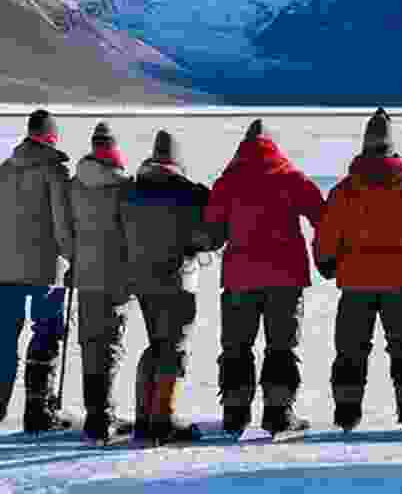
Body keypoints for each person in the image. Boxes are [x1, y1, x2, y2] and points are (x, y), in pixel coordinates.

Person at [315, 108, 402, 434]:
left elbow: (327, 234)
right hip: (401, 283)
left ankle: (347, 416)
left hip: (355, 284)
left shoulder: (343, 191)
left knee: (351, 351)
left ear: (364, 145)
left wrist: (326, 262)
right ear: (391, 146)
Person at [204, 120, 324, 439]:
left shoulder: (228, 182)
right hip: (286, 278)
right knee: (281, 347)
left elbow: (212, 234)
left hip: (239, 279)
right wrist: (326, 256)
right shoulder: (290, 178)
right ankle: (279, 415)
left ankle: (234, 415)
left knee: (236, 347)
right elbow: (322, 215)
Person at [119, 130, 216, 445]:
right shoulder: (187, 193)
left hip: (142, 281)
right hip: (176, 281)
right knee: (173, 349)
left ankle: (145, 419)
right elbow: (211, 236)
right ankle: (162, 419)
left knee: (156, 345)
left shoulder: (132, 190)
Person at [0, 109, 74, 434]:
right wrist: (74, 258)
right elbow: (62, 224)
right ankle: (37, 410)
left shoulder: (4, 170)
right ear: (51, 136)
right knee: (46, 333)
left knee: (3, 339)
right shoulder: (54, 171)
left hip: (4, 272)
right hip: (45, 271)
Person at [69, 122, 135, 443]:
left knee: (90, 344)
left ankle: (94, 413)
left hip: (86, 275)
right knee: (109, 345)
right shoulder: (123, 187)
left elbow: (67, 227)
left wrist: (75, 260)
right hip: (116, 276)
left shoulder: (75, 184)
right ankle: (102, 417)